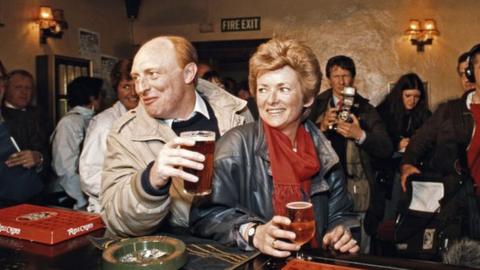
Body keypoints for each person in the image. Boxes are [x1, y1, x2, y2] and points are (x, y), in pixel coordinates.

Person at [190, 38, 359, 258]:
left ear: (307, 97)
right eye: (263, 89)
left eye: (283, 89)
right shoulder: (235, 145)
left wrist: (342, 231)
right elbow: (203, 217)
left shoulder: (323, 149)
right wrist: (252, 232)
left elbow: (342, 213)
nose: (271, 100)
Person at [101, 36, 253, 237]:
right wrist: (150, 181)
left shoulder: (238, 114)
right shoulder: (126, 133)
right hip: (176, 251)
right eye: (137, 77)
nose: (140, 88)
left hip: (240, 244)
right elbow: (115, 219)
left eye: (153, 74)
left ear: (188, 73)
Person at [308, 55, 392, 251]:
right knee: (324, 246)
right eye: (336, 75)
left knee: (357, 247)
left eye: (345, 75)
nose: (341, 81)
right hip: (323, 188)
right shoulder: (315, 106)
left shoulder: (365, 108)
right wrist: (320, 126)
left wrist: (361, 134)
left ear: (353, 78)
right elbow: (297, 142)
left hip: (357, 190)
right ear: (329, 78)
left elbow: (386, 147)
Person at [401, 43, 480, 239]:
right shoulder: (450, 111)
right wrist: (407, 165)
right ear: (472, 73)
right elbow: (418, 142)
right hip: (458, 205)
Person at [79, 59, 138, 213]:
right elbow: (89, 177)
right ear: (116, 89)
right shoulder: (104, 123)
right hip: (110, 211)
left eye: (137, 85)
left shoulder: (149, 118)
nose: (133, 93)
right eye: (126, 86)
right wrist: (135, 191)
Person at [375, 73, 431, 218]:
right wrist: (396, 144)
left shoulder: (425, 114)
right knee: (390, 216)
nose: (412, 101)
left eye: (416, 97)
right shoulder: (383, 112)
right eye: (408, 96)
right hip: (389, 173)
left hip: (417, 169)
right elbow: (376, 143)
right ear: (400, 94)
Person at [50, 77, 103, 209]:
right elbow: (64, 167)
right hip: (68, 197)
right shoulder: (70, 123)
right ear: (92, 97)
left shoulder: (91, 119)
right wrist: (81, 200)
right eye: (101, 94)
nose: (103, 99)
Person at [2, 70, 49, 175]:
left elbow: (49, 149)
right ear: (6, 89)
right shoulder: (1, 116)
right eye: (18, 87)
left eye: (28, 88)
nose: (24, 92)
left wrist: (39, 158)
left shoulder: (39, 114)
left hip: (39, 183)